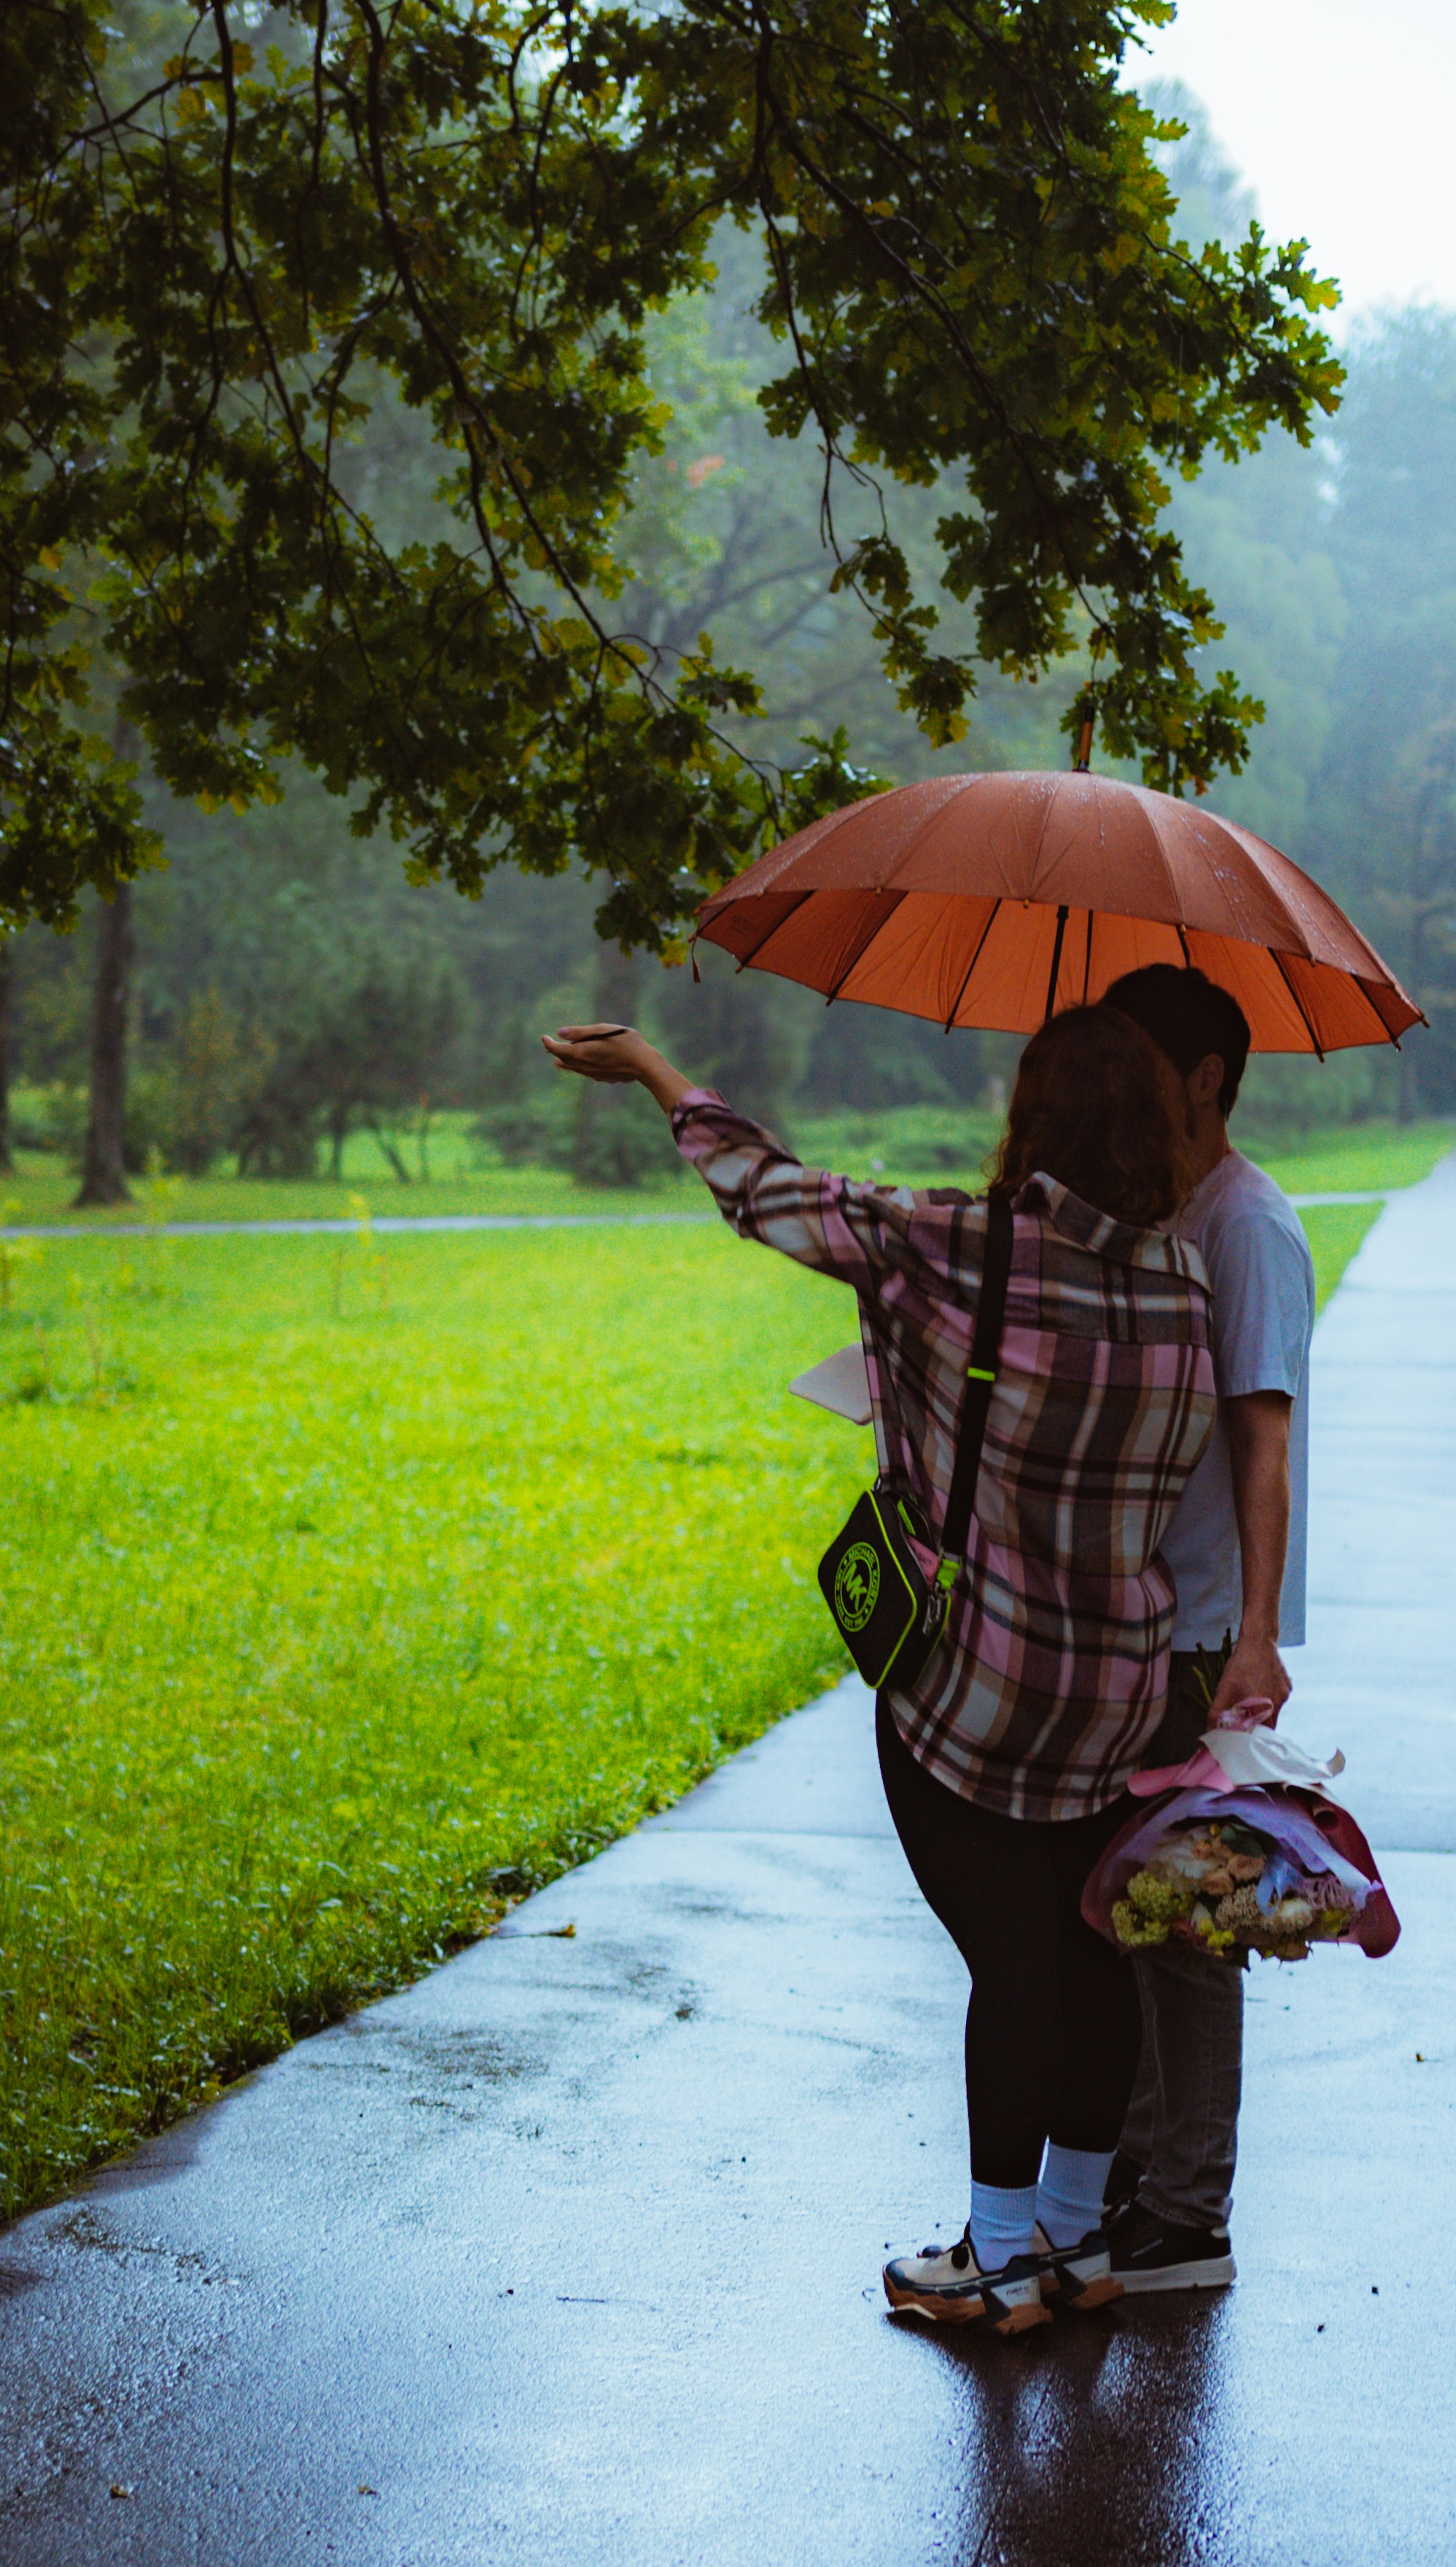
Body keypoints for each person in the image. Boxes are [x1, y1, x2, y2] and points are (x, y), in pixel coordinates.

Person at [542, 1001, 1220, 2335]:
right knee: (1089, 1955)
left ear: (1032, 1119)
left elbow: (766, 1190)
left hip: (978, 1679)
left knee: (1011, 1960)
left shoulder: (955, 1245)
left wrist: (655, 1068)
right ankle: (1075, 2247)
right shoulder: (1182, 1286)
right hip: (1124, 1687)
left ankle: (997, 2256)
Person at [1090, 963, 1317, 2297]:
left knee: (1184, 1923)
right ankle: (1136, 2175)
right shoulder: (1168, 1209)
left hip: (1201, 1631)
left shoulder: (1246, 1226)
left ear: (1206, 1081)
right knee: (1135, 1911)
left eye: (1138, 1059)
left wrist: (1255, 1639)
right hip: (1146, 1612)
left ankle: (1190, 2215)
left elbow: (1262, 1437)